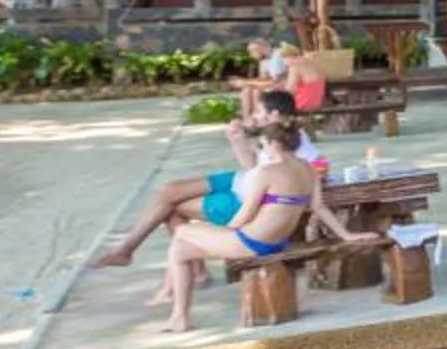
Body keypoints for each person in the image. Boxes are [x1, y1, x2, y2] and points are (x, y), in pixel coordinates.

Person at [96, 89, 349, 268]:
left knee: (172, 209)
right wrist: (237, 141)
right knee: (167, 191)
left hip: (247, 197)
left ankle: (187, 267)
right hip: (243, 180)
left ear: (274, 114)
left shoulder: (293, 146)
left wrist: (232, 228)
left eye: (259, 111)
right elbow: (253, 167)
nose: (254, 115)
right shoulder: (275, 134)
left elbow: (286, 182)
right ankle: (128, 251)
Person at [151, 120, 324, 333]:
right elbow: (319, 207)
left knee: (182, 233)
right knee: (180, 250)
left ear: (274, 144)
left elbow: (245, 214)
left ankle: (179, 316)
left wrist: (222, 230)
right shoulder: (307, 168)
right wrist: (347, 234)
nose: (263, 150)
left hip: (252, 241)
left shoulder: (267, 172)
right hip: (278, 242)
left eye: (263, 145)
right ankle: (178, 316)